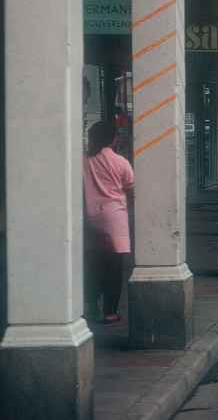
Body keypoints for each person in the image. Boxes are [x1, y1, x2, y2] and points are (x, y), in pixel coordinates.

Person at [83, 120, 135, 324]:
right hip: (114, 219)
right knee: (114, 267)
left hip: (90, 217)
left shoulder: (84, 161)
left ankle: (92, 308)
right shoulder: (120, 162)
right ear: (113, 139)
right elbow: (130, 188)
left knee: (93, 264)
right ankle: (110, 312)